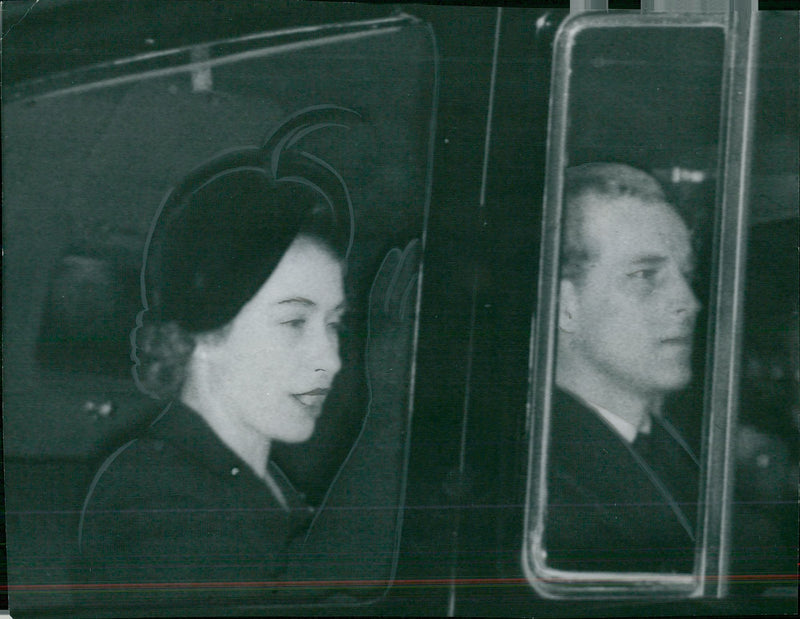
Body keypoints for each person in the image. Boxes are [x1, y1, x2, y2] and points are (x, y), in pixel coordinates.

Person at [75, 107, 419, 610]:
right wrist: (390, 410)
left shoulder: (251, 474)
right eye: (294, 322)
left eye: (334, 324)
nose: (333, 359)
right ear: (208, 332)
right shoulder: (154, 500)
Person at [543, 163, 702, 573]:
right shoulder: (542, 481)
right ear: (566, 306)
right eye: (645, 275)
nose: (688, 301)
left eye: (686, 275)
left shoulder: (680, 453)